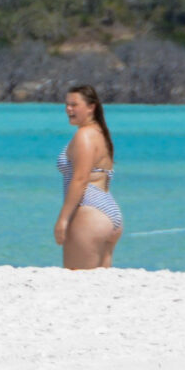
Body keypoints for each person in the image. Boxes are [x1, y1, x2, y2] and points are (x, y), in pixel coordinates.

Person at [55, 84, 122, 270]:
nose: (68, 109)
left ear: (91, 107)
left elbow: (80, 179)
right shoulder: (100, 133)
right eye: (67, 104)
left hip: (90, 212)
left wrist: (63, 219)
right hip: (108, 210)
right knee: (99, 286)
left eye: (74, 105)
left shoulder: (84, 136)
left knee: (77, 280)